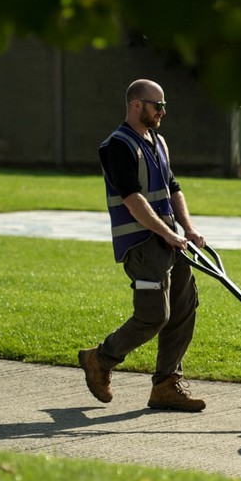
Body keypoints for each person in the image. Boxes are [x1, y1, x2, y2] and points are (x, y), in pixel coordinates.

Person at [78, 79, 209, 412]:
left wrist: (188, 229)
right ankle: (100, 358)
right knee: (154, 315)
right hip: (141, 242)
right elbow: (133, 199)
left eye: (164, 106)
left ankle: (166, 384)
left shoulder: (159, 142)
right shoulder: (117, 145)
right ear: (136, 104)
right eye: (157, 105)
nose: (162, 111)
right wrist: (166, 233)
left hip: (170, 240)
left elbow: (173, 188)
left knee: (183, 308)